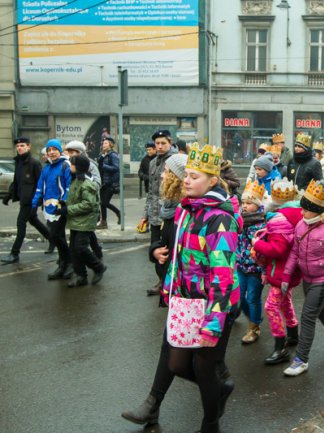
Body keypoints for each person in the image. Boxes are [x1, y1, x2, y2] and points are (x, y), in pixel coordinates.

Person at [159, 143, 242, 433]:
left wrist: (213, 324)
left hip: (213, 306)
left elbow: (223, 276)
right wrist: (169, 288)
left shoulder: (220, 219)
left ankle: (210, 424)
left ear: (213, 181)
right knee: (178, 365)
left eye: (195, 176)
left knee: (205, 368)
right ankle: (221, 388)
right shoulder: (187, 210)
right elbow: (178, 256)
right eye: (187, 175)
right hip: (186, 301)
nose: (186, 180)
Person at [121, 153, 197, 427]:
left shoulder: (188, 209)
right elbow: (158, 237)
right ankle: (152, 405)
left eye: (167, 171)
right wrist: (154, 250)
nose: (162, 175)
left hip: (191, 291)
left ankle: (218, 390)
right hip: (173, 286)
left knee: (184, 354)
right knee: (172, 348)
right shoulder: (168, 206)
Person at [281, 179, 324, 377]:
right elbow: (294, 252)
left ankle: (301, 359)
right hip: (307, 277)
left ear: (319, 210)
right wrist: (286, 275)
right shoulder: (301, 225)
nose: (302, 214)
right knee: (320, 310)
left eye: (307, 210)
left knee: (308, 315)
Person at [251, 178, 302, 365]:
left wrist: (257, 243)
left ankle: (280, 347)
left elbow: (278, 250)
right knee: (285, 301)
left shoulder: (280, 220)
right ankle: (293, 334)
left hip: (281, 271)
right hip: (291, 270)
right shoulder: (296, 214)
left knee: (271, 307)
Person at [1, 137, 50, 264]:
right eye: (18, 146)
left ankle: (14, 253)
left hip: (31, 200)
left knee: (20, 223)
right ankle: (54, 240)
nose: (19, 148)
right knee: (34, 221)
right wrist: (9, 195)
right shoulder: (18, 162)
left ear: (28, 147)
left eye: (22, 145)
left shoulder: (34, 163)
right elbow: (16, 182)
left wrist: (40, 200)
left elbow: (41, 183)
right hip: (24, 199)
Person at [141, 130, 178, 295]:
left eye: (163, 143)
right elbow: (151, 192)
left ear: (170, 142)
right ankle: (162, 280)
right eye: (157, 143)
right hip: (155, 214)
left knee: (169, 251)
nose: (160, 146)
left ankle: (168, 282)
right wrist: (146, 214)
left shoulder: (175, 160)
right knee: (156, 250)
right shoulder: (153, 162)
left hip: (170, 214)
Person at [61, 155, 106, 287]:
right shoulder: (76, 181)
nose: (70, 167)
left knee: (80, 248)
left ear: (78, 167)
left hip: (85, 222)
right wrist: (63, 205)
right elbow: (75, 199)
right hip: (76, 220)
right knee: (73, 250)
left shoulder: (86, 183)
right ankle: (81, 276)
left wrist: (67, 210)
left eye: (72, 164)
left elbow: (89, 204)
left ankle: (98, 267)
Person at [32, 139, 73, 280]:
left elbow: (69, 187)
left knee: (56, 236)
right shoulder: (46, 168)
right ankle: (64, 264)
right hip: (48, 210)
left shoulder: (65, 165)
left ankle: (67, 263)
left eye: (54, 149)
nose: (51, 152)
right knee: (58, 236)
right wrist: (34, 204)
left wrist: (62, 205)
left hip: (60, 209)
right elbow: (39, 188)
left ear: (59, 151)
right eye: (49, 150)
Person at [236, 181, 267, 344]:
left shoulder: (262, 224)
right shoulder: (239, 220)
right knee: (239, 296)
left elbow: (265, 251)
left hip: (255, 268)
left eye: (249, 203)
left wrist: (264, 271)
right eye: (243, 203)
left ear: (257, 205)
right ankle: (253, 316)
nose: (245, 206)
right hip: (240, 265)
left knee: (253, 298)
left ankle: (254, 327)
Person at [64, 141, 103, 259]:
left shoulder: (90, 165)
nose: (70, 155)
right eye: (68, 152)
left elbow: (97, 184)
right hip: (75, 204)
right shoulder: (69, 164)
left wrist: (84, 180)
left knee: (85, 231)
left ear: (79, 152)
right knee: (86, 231)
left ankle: (94, 261)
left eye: (72, 152)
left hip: (86, 203)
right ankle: (96, 251)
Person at [96, 136, 121, 229]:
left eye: (106, 143)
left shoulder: (113, 155)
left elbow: (116, 168)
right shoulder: (101, 155)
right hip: (102, 182)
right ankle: (104, 222)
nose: (103, 145)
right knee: (101, 203)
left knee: (105, 203)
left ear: (110, 145)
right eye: (103, 143)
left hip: (110, 183)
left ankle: (118, 213)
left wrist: (104, 167)